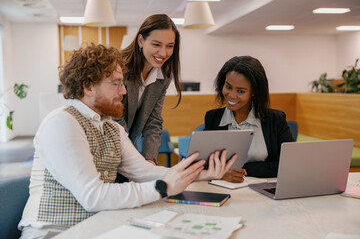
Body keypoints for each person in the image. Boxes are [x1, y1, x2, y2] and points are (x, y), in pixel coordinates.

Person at [18, 44, 236, 239]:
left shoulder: (112, 128)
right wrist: (163, 187)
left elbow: (143, 171)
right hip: (53, 231)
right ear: (88, 86)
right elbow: (93, 196)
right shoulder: (62, 123)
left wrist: (198, 174)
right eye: (116, 84)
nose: (123, 92)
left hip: (94, 227)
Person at [204, 56, 294, 181]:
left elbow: (289, 164)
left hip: (265, 190)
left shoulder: (275, 120)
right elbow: (204, 163)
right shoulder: (212, 118)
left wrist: (245, 170)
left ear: (254, 92)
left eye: (241, 91)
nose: (232, 95)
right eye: (228, 87)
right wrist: (223, 174)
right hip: (224, 189)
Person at [113, 14, 182, 165]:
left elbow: (154, 122)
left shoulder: (163, 76)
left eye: (170, 46)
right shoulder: (117, 67)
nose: (163, 53)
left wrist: (149, 159)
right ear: (141, 41)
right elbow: (115, 119)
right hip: (105, 148)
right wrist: (135, 160)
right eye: (156, 44)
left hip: (127, 147)